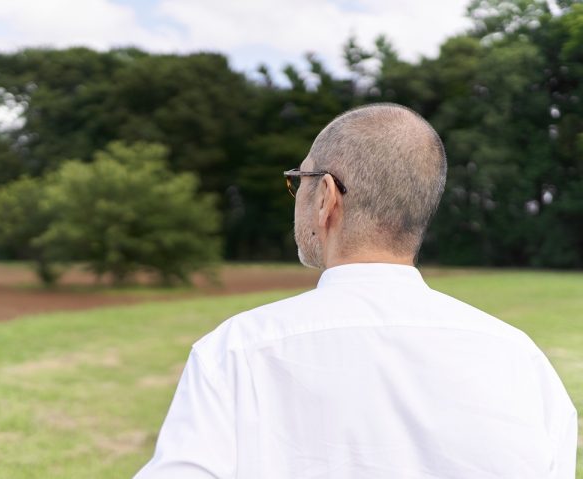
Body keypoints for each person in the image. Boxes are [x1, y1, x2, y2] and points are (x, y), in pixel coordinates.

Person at [133, 103, 578, 478]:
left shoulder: (235, 352)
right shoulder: (521, 360)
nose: (297, 197)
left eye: (298, 182)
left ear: (327, 196)